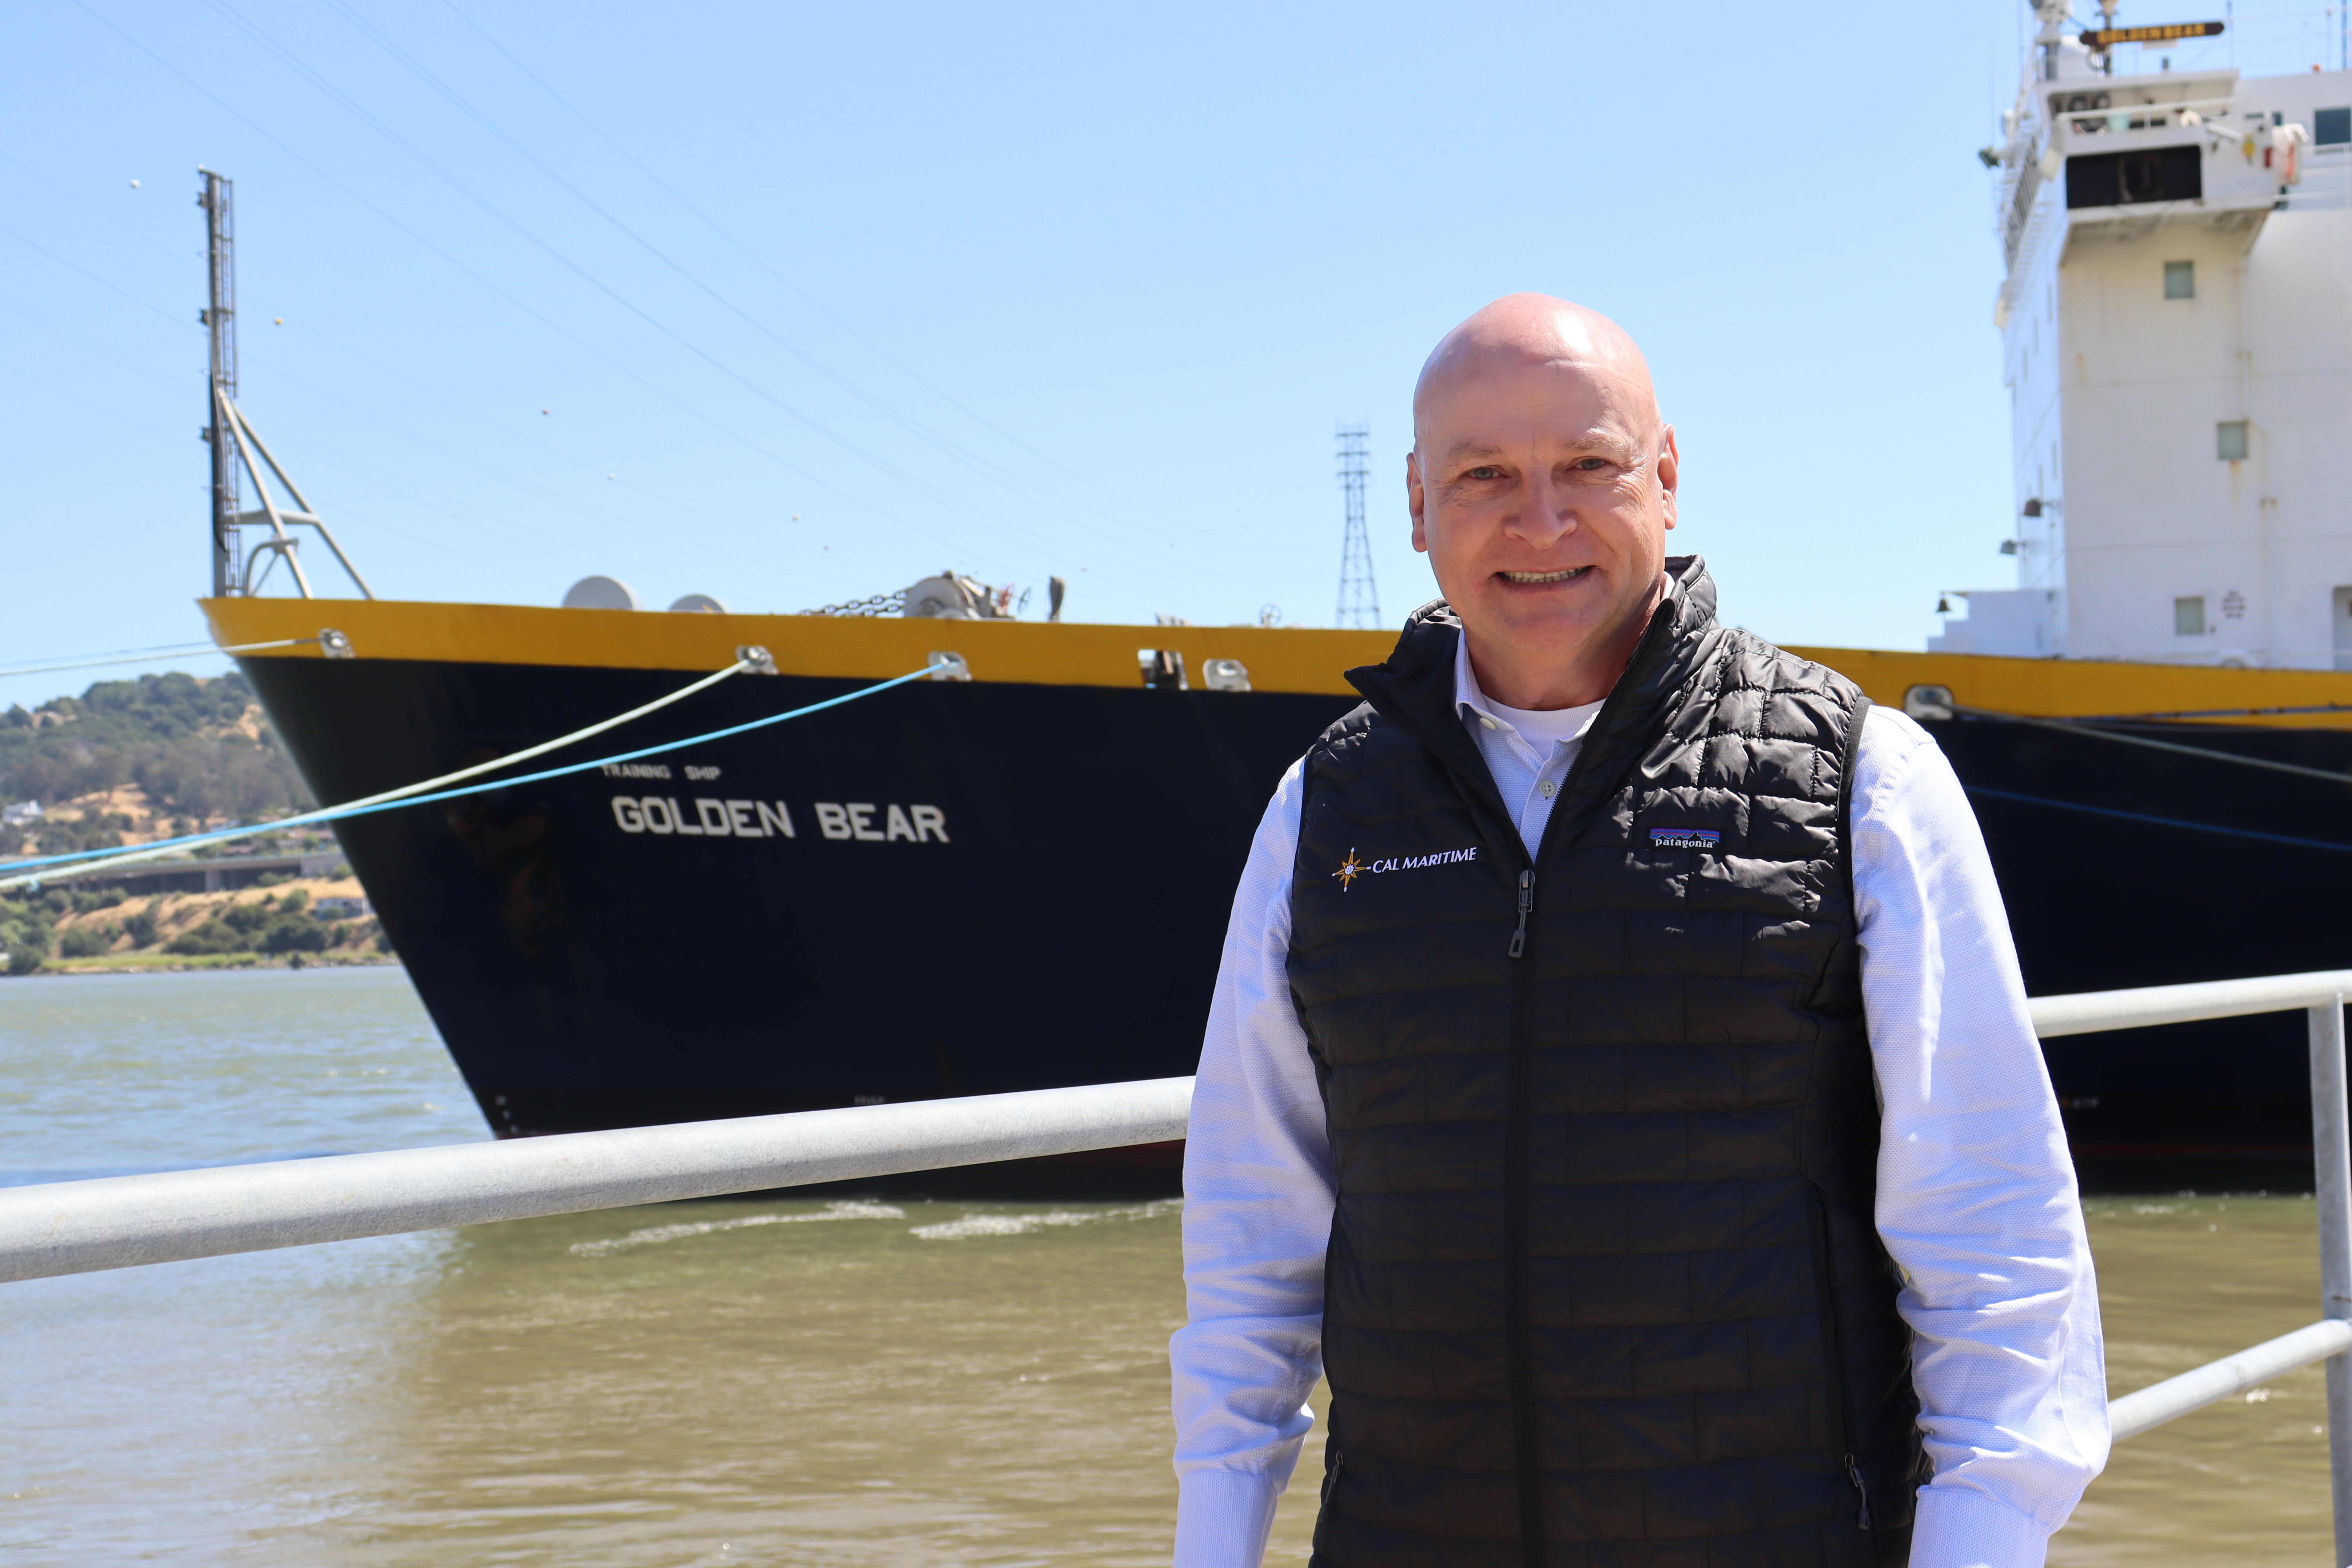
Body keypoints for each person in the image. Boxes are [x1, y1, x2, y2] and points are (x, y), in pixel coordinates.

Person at [1169, 294, 2106, 1568]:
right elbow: (1251, 1235)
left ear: (1666, 478)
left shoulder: (1860, 779)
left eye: (1589, 466)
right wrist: (1213, 1544)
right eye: (1485, 473)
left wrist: (1982, 1541)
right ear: (1416, 504)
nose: (1540, 521)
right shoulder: (1320, 812)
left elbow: (1993, 1229)